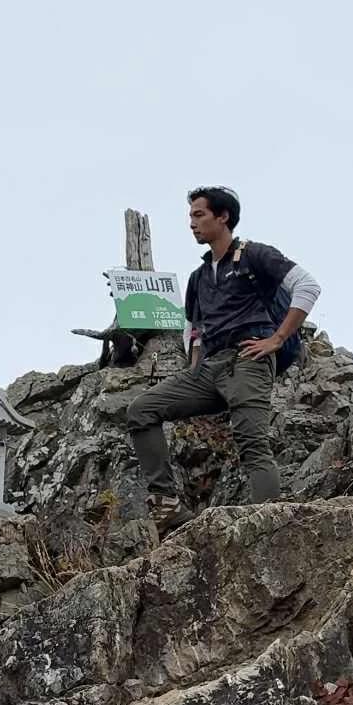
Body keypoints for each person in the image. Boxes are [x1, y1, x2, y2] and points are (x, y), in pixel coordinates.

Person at [125, 185, 320, 531]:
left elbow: (307, 286)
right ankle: (167, 504)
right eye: (191, 217)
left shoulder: (255, 255)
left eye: (199, 215)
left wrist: (277, 339)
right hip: (209, 368)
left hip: (249, 359)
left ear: (223, 216)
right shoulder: (199, 277)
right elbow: (192, 327)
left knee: (252, 442)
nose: (192, 224)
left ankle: (269, 528)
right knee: (141, 410)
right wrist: (194, 365)